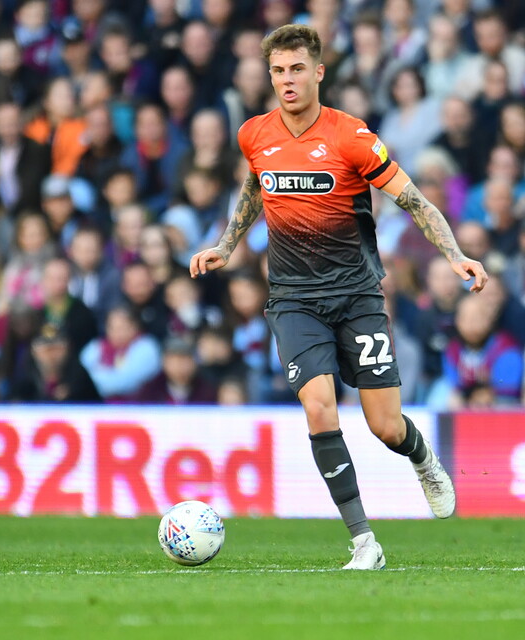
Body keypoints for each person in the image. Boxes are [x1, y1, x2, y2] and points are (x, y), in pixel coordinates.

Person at [189, 24, 488, 570]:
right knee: (319, 409)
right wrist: (227, 244)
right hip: (294, 299)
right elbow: (255, 186)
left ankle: (422, 458)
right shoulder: (254, 134)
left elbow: (415, 202)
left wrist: (455, 255)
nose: (287, 80)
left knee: (385, 426)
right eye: (278, 71)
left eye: (297, 69)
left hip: (356, 296)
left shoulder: (351, 137)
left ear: (319, 72)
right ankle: (364, 541)